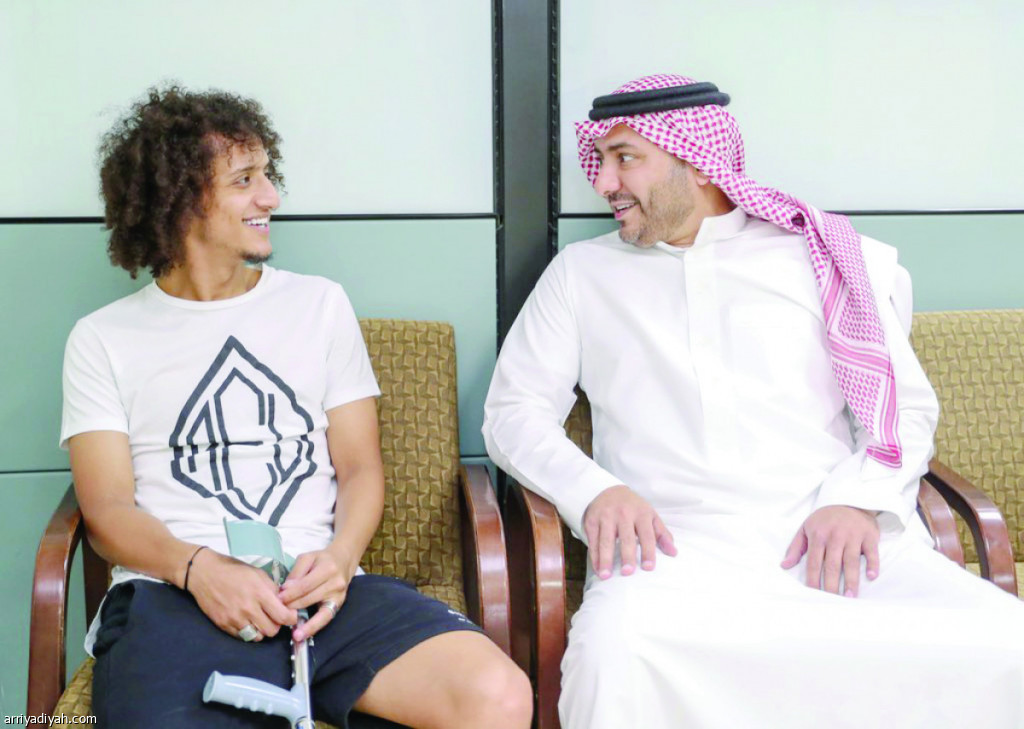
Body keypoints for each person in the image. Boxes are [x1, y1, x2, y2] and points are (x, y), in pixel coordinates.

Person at [483, 74, 1024, 729]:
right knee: (613, 654)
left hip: (833, 545)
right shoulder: (582, 274)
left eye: (625, 159)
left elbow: (902, 410)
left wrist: (858, 500)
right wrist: (594, 491)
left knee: (1007, 647)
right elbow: (513, 412)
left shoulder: (823, 259)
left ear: (698, 163)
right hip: (671, 557)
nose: (603, 183)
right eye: (600, 160)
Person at [61, 85, 532, 729]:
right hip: (174, 595)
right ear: (181, 198)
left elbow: (360, 469)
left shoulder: (319, 305)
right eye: (244, 180)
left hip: (321, 591)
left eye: (267, 174)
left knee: (497, 696)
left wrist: (340, 560)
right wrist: (200, 570)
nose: (271, 197)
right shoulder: (102, 338)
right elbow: (107, 511)